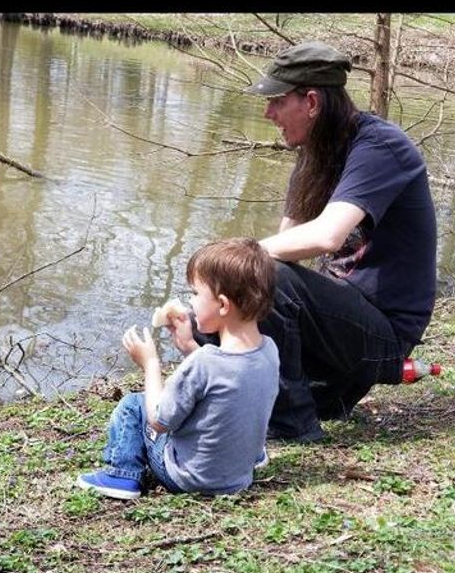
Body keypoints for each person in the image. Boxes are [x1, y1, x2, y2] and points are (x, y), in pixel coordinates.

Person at [192, 41, 437, 443]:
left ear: (311, 101)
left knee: (259, 273)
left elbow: (327, 236)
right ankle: (246, 400)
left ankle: (293, 425)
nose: (268, 113)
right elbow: (289, 241)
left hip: (383, 335)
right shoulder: (315, 154)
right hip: (340, 327)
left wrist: (232, 259)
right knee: (217, 300)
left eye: (276, 101)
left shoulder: (380, 147)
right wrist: (212, 301)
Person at [77, 238, 279, 499]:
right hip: (237, 476)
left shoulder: (205, 361)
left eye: (195, 293)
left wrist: (150, 364)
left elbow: (160, 420)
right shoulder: (268, 350)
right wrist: (187, 344)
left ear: (223, 305)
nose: (191, 302)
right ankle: (253, 454)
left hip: (190, 477)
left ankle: (122, 476)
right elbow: (225, 380)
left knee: (134, 405)